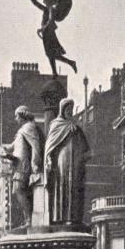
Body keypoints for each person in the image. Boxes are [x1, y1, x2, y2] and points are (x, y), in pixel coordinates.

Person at [45, 97, 90, 229]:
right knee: (62, 187)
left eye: (71, 109)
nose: (70, 111)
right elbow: (50, 146)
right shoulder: (55, 125)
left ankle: (74, 218)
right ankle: (60, 218)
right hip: (62, 162)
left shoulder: (76, 127)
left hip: (76, 162)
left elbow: (86, 148)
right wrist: (48, 159)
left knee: (74, 187)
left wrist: (83, 156)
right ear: (62, 110)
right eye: (67, 109)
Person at [0, 106, 45, 228]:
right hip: (18, 164)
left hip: (24, 165)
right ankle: (27, 219)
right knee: (18, 191)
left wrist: (36, 164)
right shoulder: (23, 129)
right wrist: (5, 150)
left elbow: (36, 146)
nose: (15, 119)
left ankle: (29, 220)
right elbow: (13, 146)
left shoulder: (29, 127)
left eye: (17, 116)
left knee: (19, 190)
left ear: (22, 115)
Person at [23, 0, 78, 78]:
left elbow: (50, 20)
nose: (45, 2)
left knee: (50, 53)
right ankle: (63, 67)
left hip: (49, 33)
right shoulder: (46, 9)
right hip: (46, 33)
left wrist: (42, 28)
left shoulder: (51, 10)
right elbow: (36, 4)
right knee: (50, 54)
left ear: (50, 1)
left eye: (47, 0)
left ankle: (61, 68)